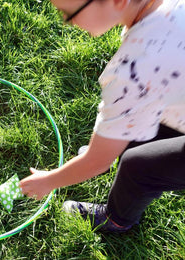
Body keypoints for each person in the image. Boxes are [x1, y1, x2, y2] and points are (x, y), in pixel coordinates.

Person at [20, 0, 185, 232]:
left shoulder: (134, 68)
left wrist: (48, 181)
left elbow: (97, 163)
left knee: (138, 168)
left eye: (68, 13)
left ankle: (118, 220)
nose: (68, 22)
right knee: (139, 136)